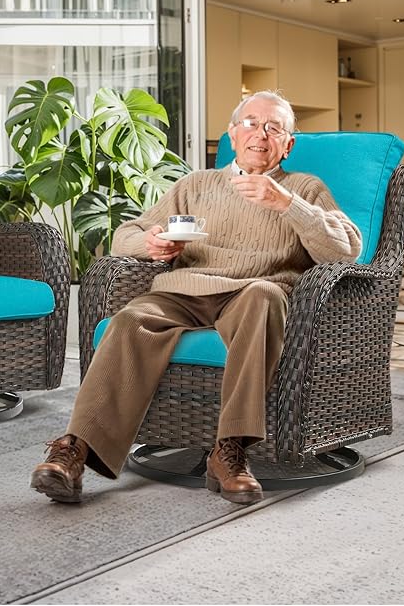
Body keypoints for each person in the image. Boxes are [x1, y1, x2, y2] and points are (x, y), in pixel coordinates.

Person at [30, 90, 362, 505]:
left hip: (253, 292)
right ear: (233, 134)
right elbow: (126, 234)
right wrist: (151, 243)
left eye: (274, 128)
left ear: (288, 145)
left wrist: (288, 204)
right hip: (187, 291)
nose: (261, 134)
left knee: (264, 295)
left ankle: (230, 451)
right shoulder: (196, 184)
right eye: (251, 123)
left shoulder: (304, 188)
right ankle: (74, 451)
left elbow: (346, 251)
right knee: (131, 320)